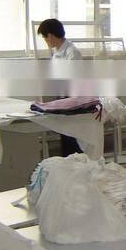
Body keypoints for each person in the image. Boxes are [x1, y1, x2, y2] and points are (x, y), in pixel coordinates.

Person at [37, 18, 83, 156]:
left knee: (73, 138)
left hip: (73, 98)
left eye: (45, 37)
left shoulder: (72, 52)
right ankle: (68, 164)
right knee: (65, 135)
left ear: (50, 36)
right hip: (63, 97)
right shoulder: (57, 52)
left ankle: (77, 164)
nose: (46, 41)